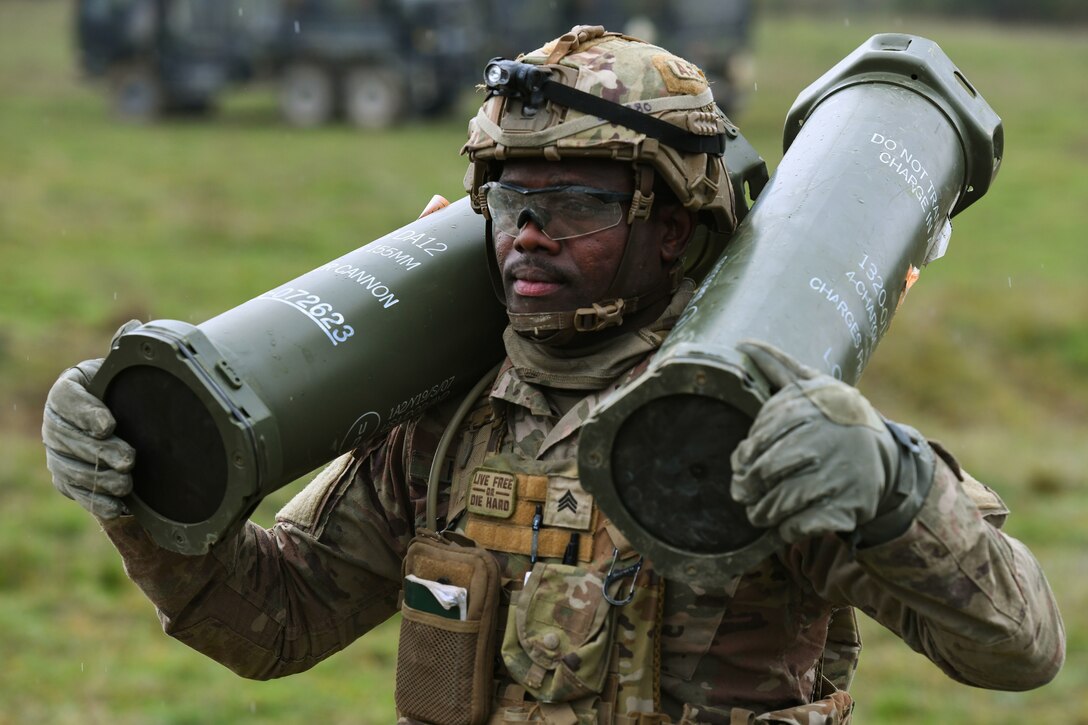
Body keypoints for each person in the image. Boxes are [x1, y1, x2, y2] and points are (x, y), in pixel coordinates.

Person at [42, 26, 1063, 724]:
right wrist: (138, 484)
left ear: (669, 228)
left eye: (574, 200)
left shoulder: (750, 421)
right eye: (507, 199)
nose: (526, 232)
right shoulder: (445, 423)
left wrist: (893, 486)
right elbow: (274, 621)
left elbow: (1016, 647)